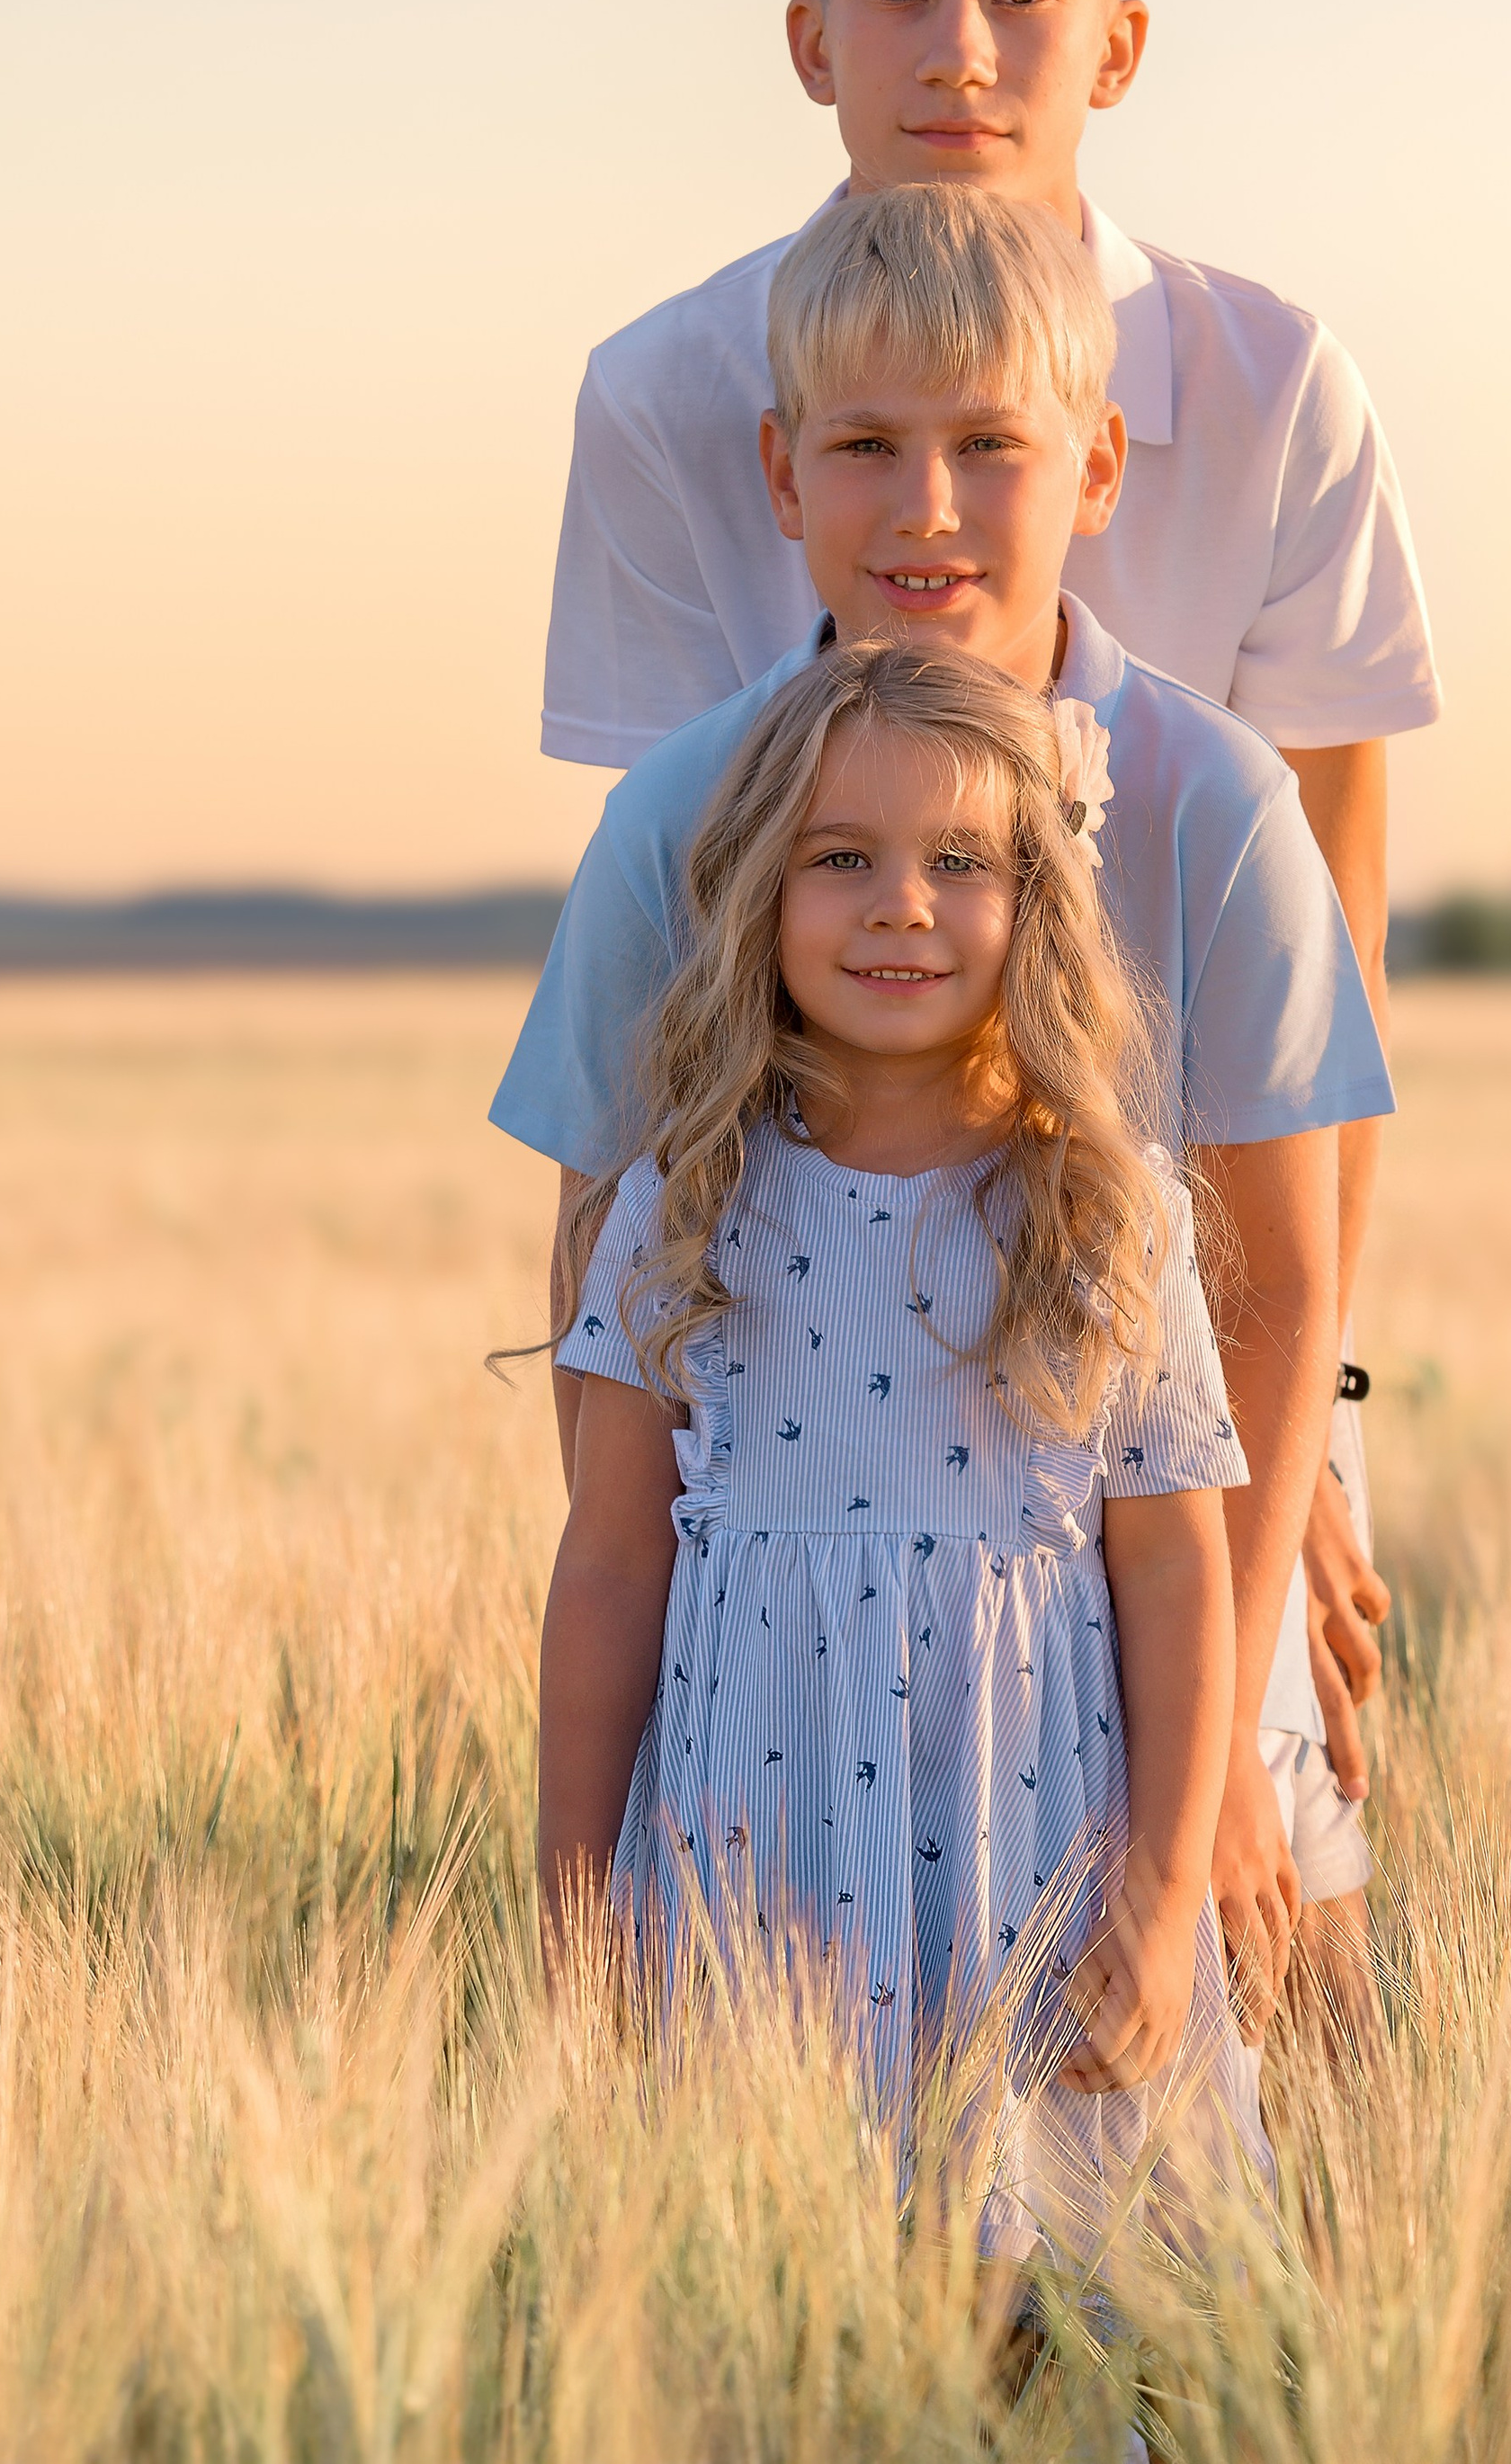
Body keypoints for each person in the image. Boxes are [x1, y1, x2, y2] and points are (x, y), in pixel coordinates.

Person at [533, 0, 1435, 1996]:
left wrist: (1301, 1437)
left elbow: (1321, 967)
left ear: (1114, 34)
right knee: (801, 2021)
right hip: (813, 1343)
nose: (961, 46)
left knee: (1261, 1945)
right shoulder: (664, 396)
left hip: (1173, 1328)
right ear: (809, 30)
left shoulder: (1268, 376)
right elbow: (666, 975)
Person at [538, 637, 1266, 2263]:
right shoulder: (681, 1208)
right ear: (752, 895)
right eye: (840, 859)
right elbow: (605, 1565)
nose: (901, 905)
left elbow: (1174, 1562)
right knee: (765, 2324)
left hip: (1031, 1845)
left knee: (1059, 2330)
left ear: (1040, 904)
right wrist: (574, 1904)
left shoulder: (1107, 1216)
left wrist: (1161, 1896)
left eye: (959, 863)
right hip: (754, 1858)